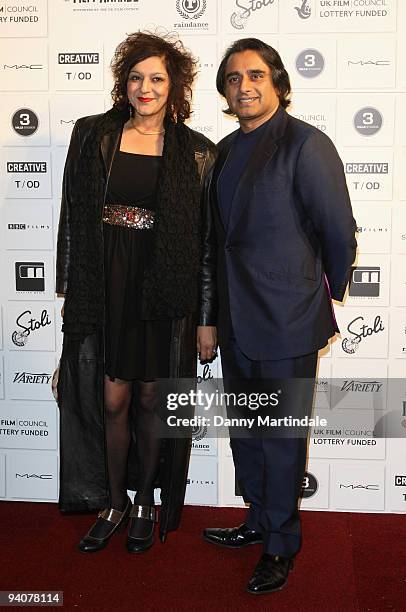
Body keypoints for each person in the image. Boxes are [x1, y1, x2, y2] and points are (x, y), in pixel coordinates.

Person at [197, 38, 357, 594]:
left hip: (288, 320)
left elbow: (338, 234)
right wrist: (210, 315)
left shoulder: (307, 145)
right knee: (248, 432)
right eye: (235, 77)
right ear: (224, 89)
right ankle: (258, 520)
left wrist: (315, 294)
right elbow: (217, 243)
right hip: (236, 320)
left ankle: (282, 545)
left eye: (257, 75)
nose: (245, 86)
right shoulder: (221, 152)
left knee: (283, 437)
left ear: (278, 84)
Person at [55, 31, 216, 554]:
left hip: (164, 292)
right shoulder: (91, 135)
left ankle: (146, 499)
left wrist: (206, 317)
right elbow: (74, 225)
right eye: (136, 77)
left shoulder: (195, 152)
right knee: (111, 398)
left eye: (157, 79)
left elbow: (207, 243)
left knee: (151, 398)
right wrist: (70, 307)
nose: (145, 88)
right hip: (106, 286)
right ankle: (114, 502)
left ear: (176, 87)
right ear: (123, 83)